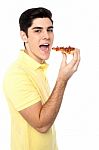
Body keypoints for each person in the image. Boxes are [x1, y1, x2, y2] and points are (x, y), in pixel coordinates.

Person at [3, 7, 80, 150]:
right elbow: (42, 124)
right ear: (24, 36)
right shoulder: (17, 74)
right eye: (37, 30)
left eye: (50, 29)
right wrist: (62, 80)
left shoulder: (39, 68)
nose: (47, 36)